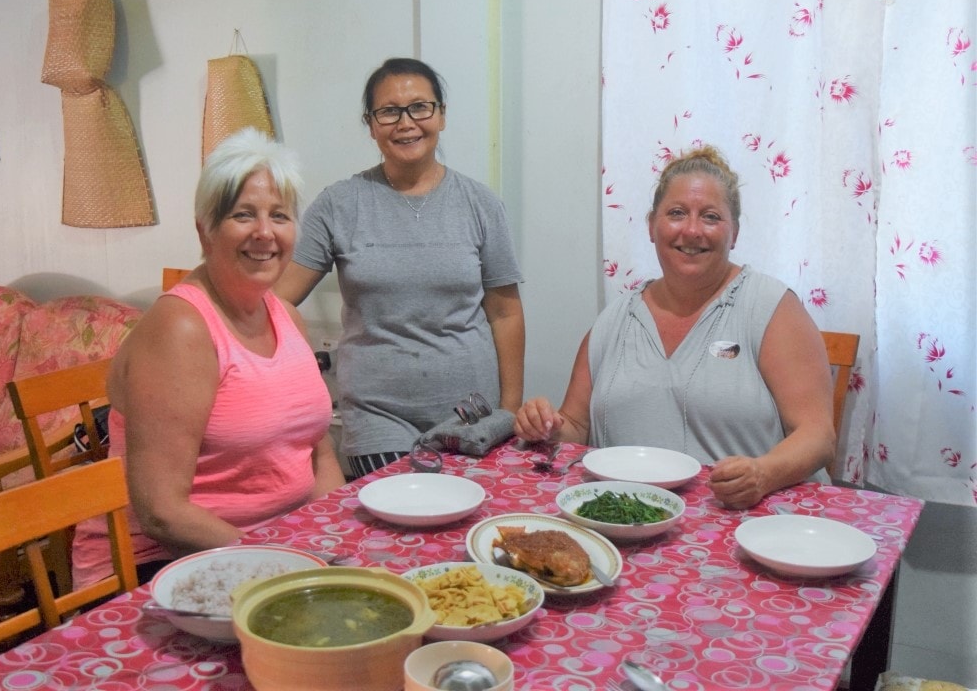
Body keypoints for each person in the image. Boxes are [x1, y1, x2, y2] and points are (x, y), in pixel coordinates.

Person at [71, 128, 345, 587]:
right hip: (162, 566)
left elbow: (320, 456)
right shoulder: (181, 330)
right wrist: (284, 564)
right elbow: (162, 513)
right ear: (206, 230)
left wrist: (334, 539)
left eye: (279, 215)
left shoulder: (287, 317)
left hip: (276, 550)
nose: (265, 232)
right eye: (243, 215)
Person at [514, 145, 835, 509]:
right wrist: (545, 426)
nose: (693, 230)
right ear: (652, 226)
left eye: (711, 217)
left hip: (749, 522)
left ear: (735, 233)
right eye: (677, 213)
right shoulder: (615, 319)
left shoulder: (771, 308)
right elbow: (575, 427)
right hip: (631, 520)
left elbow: (817, 434)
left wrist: (763, 474)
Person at [276, 58, 525, 477]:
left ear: (441, 115)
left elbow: (506, 312)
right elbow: (278, 302)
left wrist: (509, 411)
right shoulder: (339, 204)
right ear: (371, 125)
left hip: (473, 413)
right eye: (388, 111)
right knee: (394, 528)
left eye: (420, 107)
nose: (405, 122)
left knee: (464, 527)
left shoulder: (480, 204)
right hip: (377, 416)